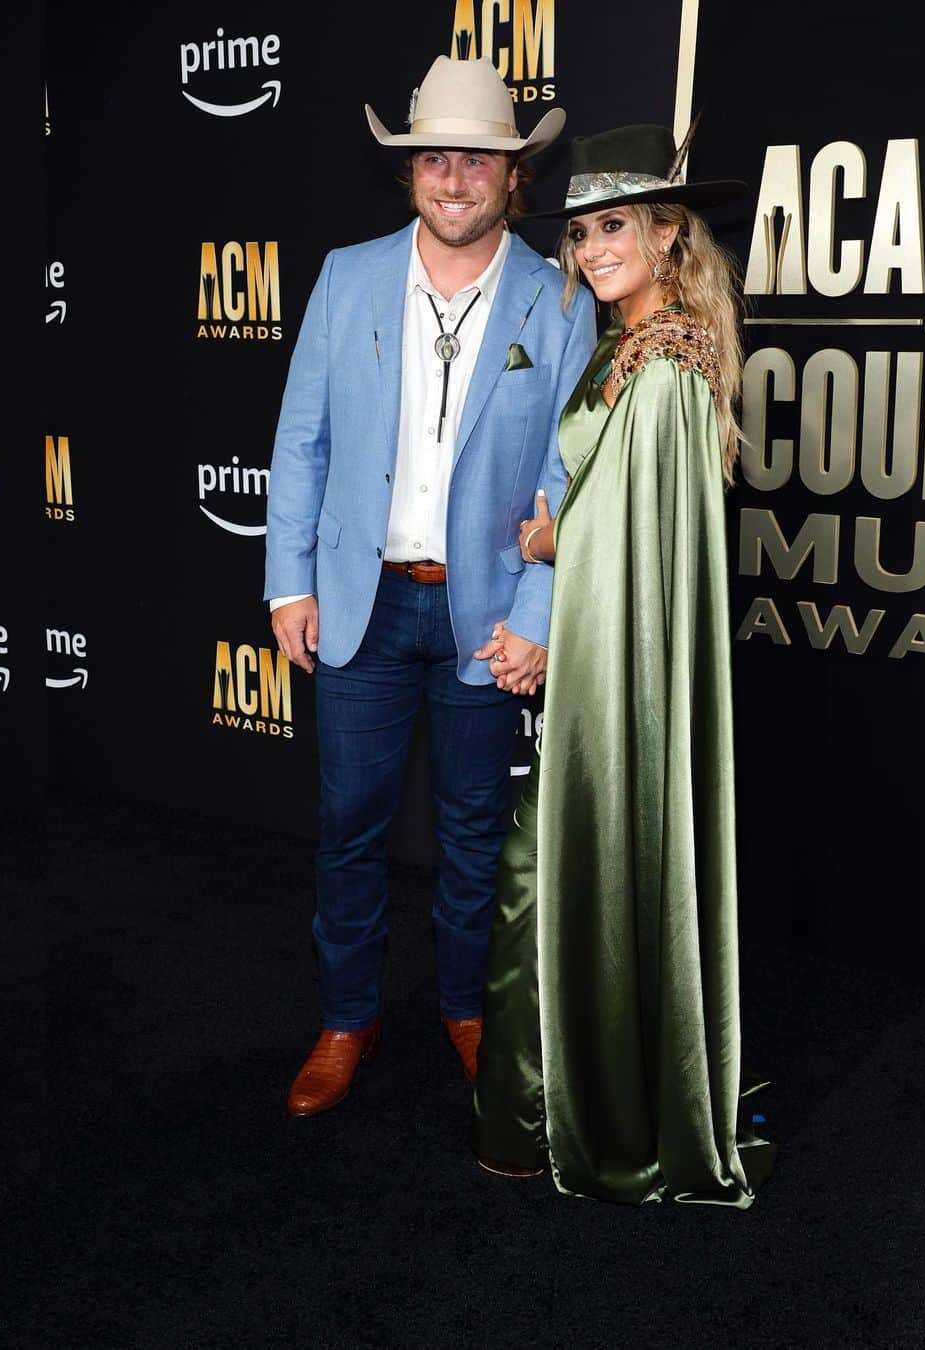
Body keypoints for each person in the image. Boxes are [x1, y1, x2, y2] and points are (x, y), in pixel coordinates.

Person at [264, 54, 597, 1116]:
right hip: (360, 608)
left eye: (479, 161)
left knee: (469, 833)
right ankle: (347, 1020)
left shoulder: (560, 300)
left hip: (484, 617)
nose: (455, 177)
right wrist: (288, 586)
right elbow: (301, 445)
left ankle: (469, 1012)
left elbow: (568, 476)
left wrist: (539, 615)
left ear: (515, 178)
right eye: (435, 157)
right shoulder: (345, 276)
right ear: (411, 168)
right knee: (351, 826)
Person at [470, 124, 775, 1203]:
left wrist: (559, 543)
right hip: (599, 672)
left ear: (666, 234)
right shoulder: (629, 344)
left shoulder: (667, 364)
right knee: (542, 885)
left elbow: (648, 545)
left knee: (536, 886)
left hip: (616, 684)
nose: (592, 249)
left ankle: (558, 1122)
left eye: (615, 228)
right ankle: (558, 1111)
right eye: (582, 230)